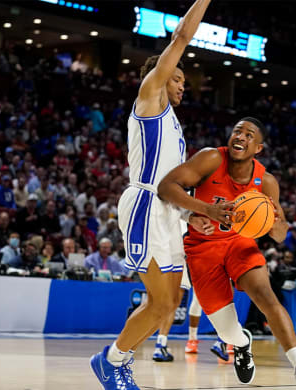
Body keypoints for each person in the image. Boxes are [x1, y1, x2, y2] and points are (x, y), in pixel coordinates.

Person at [90, 1, 214, 389]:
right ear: (159, 76)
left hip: (166, 211)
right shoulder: (150, 98)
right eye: (177, 77)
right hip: (144, 205)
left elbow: (172, 185)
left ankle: (116, 359)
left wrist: (188, 215)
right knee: (160, 302)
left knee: (170, 304)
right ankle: (111, 361)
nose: (182, 84)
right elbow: (181, 36)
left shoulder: (175, 127)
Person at [157, 118, 296, 387]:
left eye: (249, 135)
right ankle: (242, 342)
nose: (241, 136)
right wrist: (205, 210)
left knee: (266, 296)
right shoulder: (211, 158)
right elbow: (166, 187)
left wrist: (274, 223)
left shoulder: (266, 182)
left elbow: (280, 235)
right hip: (203, 248)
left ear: (258, 147)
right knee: (226, 329)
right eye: (237, 131)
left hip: (239, 244)